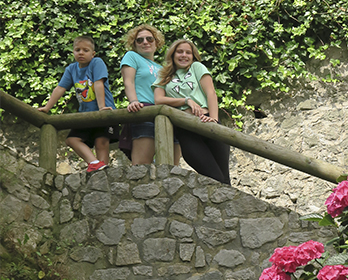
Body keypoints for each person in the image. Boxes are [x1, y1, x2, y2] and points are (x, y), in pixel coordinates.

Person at [153, 39, 230, 184]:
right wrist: (186, 100)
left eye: (188, 52)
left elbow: (211, 93)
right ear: (173, 54)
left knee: (224, 178)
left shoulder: (197, 67)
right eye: (180, 51)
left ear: (193, 56)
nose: (184, 55)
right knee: (214, 177)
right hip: (185, 127)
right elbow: (158, 99)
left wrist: (214, 119)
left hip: (207, 121)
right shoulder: (163, 75)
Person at [40, 35, 117, 172]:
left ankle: (104, 172)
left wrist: (101, 107)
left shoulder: (96, 63)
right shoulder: (71, 69)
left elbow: (98, 84)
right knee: (72, 140)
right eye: (77, 50)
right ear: (73, 52)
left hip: (104, 109)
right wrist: (47, 107)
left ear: (93, 54)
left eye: (85, 50)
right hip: (85, 115)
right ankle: (94, 163)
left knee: (101, 142)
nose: (81, 53)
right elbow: (60, 88)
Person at [119, 23, 180, 166]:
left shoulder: (162, 68)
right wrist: (133, 100)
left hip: (165, 113)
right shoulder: (132, 56)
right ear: (134, 44)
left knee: (172, 167)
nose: (145, 42)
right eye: (139, 40)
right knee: (141, 165)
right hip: (143, 110)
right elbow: (128, 82)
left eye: (149, 39)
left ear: (156, 42)